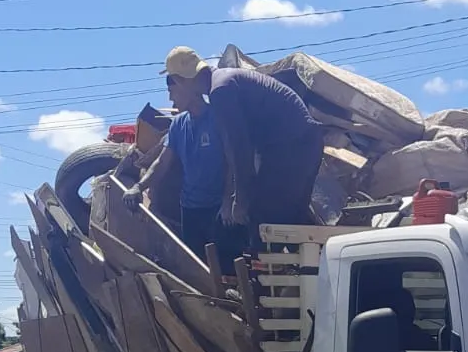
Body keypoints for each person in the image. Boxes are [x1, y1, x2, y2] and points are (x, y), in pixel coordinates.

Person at [156, 47, 324, 252]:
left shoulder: (221, 91)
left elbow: (238, 149)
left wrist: (240, 200)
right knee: (289, 220)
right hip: (299, 144)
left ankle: (268, 279)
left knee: (263, 221)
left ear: (181, 80)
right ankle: (308, 272)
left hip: (292, 147)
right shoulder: (222, 83)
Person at [123, 87, 224, 262]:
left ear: (189, 89)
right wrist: (138, 187)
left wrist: (231, 201)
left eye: (173, 91)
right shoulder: (178, 124)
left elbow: (233, 160)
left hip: (219, 207)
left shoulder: (217, 118)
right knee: (197, 268)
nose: (171, 99)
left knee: (226, 268)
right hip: (191, 208)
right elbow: (161, 162)